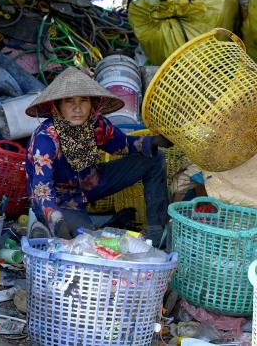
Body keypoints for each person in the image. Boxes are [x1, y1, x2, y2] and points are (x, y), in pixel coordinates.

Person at [24, 67, 173, 245]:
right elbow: (42, 190)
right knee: (83, 239)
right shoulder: (46, 138)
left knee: (154, 159)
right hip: (58, 200)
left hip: (91, 182)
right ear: (58, 106)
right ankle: (44, 227)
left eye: (84, 101)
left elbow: (122, 145)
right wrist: (56, 220)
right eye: (69, 101)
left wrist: (153, 142)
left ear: (92, 104)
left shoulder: (96, 125)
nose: (77, 108)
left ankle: (157, 234)